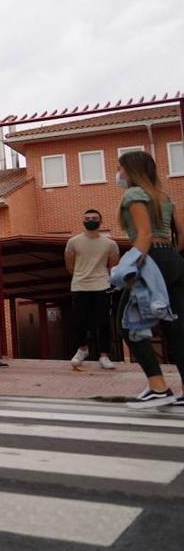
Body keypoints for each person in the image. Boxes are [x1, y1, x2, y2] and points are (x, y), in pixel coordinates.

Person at [114, 151, 184, 409]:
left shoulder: (134, 194)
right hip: (172, 260)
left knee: (127, 323)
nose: (118, 174)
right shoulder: (165, 197)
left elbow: (143, 234)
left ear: (131, 171)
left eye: (120, 169)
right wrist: (169, 258)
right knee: (176, 328)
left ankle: (158, 387)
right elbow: (181, 235)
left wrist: (130, 267)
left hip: (149, 258)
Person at [67, 208, 120, 370]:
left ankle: (104, 356)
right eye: (87, 218)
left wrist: (102, 277)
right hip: (79, 285)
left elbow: (113, 265)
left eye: (94, 218)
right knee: (79, 321)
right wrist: (81, 275)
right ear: (83, 221)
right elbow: (70, 265)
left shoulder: (110, 244)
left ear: (100, 221)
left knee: (103, 323)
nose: (91, 220)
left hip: (101, 286)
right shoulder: (73, 242)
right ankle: (82, 349)